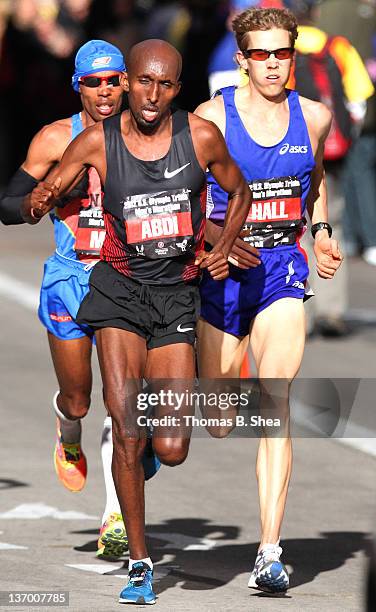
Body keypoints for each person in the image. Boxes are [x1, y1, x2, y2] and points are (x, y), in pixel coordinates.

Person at [22, 39, 252, 605]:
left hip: (174, 294)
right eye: (143, 82)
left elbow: (239, 189)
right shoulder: (98, 139)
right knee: (124, 427)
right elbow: (44, 190)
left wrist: (221, 246)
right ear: (131, 84)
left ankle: (147, 448)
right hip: (118, 292)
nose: (151, 95)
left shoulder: (199, 137)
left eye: (164, 85)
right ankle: (140, 562)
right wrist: (40, 198)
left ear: (178, 89)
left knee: (170, 446)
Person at [195, 6, 342, 593]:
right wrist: (218, 242)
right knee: (222, 418)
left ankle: (269, 551)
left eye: (283, 53)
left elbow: (316, 184)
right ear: (242, 60)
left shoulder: (315, 117)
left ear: (294, 56)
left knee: (274, 402)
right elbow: (179, 199)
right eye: (262, 54)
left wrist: (323, 233)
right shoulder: (210, 118)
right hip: (221, 271)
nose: (274, 64)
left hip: (281, 264)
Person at [0, 39, 137, 560]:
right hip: (71, 277)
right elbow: (8, 203)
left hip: (128, 279)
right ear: (76, 86)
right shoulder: (57, 137)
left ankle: (116, 516)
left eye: (112, 81)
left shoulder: (149, 135)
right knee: (80, 398)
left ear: (125, 81)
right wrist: (37, 201)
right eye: (92, 82)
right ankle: (67, 426)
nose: (104, 92)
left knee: (121, 401)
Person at [285, 0, 374, 336]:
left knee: (294, 227)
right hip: (333, 154)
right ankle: (332, 311)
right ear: (317, 13)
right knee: (329, 221)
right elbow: (359, 96)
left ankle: (299, 311)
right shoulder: (337, 47)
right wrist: (345, 137)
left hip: (288, 153)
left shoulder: (277, 52)